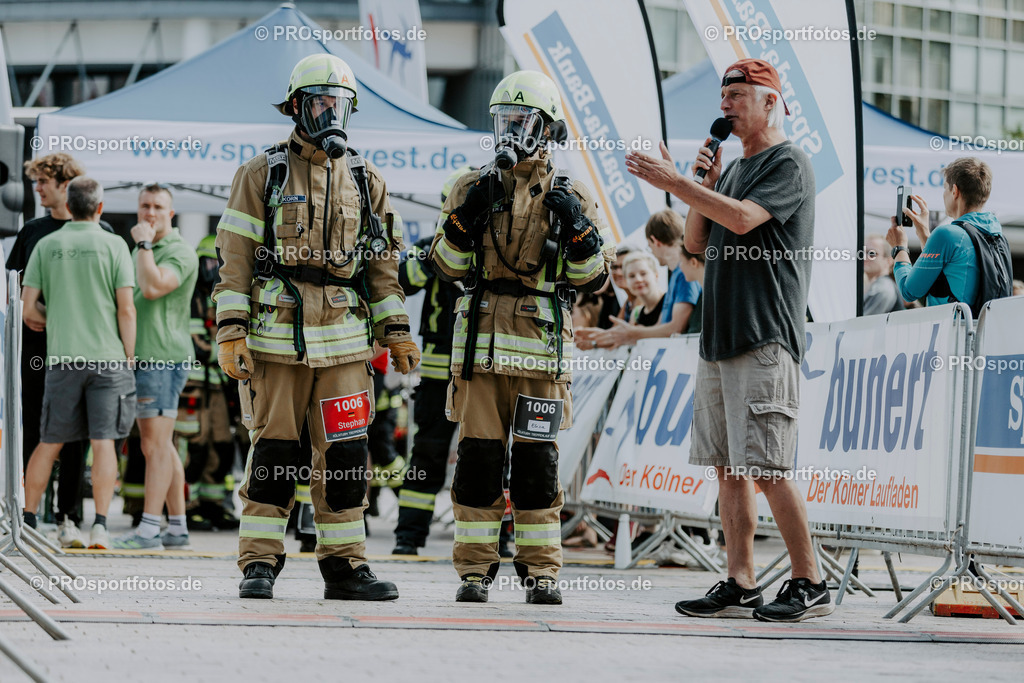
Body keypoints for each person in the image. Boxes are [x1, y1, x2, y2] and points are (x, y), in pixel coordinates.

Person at [627, 58, 831, 621]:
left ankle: (809, 581)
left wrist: (677, 182)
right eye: (724, 96)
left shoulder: (789, 162)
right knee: (728, 467)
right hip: (720, 336)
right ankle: (741, 580)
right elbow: (695, 241)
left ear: (772, 102)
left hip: (764, 332)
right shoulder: (735, 169)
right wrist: (700, 186)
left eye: (740, 95)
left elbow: (742, 222)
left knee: (768, 467)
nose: (727, 104)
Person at [214, 53, 419, 601]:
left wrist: (396, 331)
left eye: (338, 102)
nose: (329, 110)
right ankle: (259, 563)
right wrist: (231, 330)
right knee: (276, 452)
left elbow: (382, 267)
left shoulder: (367, 178)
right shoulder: (263, 173)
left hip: (347, 347)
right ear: (296, 107)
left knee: (348, 457)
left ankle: (345, 568)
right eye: (318, 101)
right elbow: (233, 259)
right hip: (277, 340)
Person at [429, 70, 614, 604]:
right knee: (478, 465)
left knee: (538, 470)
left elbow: (594, 282)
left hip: (541, 359)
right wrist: (465, 219)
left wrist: (579, 231)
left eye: (521, 121)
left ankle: (541, 574)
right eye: (502, 120)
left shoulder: (572, 192)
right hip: (480, 356)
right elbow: (445, 266)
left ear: (547, 129)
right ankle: (474, 572)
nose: (509, 130)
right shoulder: (468, 186)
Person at [20, 176, 136, 551]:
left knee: (49, 441)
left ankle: (30, 519)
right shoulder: (115, 245)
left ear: (68, 207)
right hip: (108, 360)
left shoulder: (47, 244)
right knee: (103, 444)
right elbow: (126, 309)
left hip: (63, 359)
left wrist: (53, 316)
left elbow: (28, 308)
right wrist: (129, 356)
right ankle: (100, 527)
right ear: (99, 208)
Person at [6, 153, 114, 548]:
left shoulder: (101, 232)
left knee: (77, 438)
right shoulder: (32, 232)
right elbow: (15, 291)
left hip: (81, 349)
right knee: (37, 429)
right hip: (37, 350)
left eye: (42, 182)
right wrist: (33, 312)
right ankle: (30, 514)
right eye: (35, 183)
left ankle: (69, 516)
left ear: (64, 184)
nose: (36, 189)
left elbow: (111, 296)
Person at [112, 183, 198, 550]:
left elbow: (152, 288)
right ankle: (176, 528)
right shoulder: (140, 249)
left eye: (158, 207)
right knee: (163, 445)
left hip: (163, 358)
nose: (149, 213)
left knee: (153, 446)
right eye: (144, 206)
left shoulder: (178, 251)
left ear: (171, 213)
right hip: (146, 357)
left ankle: (149, 530)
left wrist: (145, 245)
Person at [391, 167, 469, 557]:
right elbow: (400, 280)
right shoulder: (429, 247)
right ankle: (408, 536)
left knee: (487, 455)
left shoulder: (497, 244)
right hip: (439, 373)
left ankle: (500, 538)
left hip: (482, 372)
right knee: (427, 453)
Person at [885, 158, 1008, 310]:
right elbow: (951, 271)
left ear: (955, 191)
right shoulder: (997, 234)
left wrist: (899, 248)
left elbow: (908, 292)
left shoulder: (947, 234)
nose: (944, 194)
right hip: (983, 329)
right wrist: (924, 233)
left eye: (945, 188)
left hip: (952, 331)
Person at [178, 234, 240, 532]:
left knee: (221, 444)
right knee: (195, 446)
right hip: (192, 385)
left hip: (217, 384)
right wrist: (226, 351)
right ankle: (186, 507)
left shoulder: (225, 296)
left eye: (219, 262)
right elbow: (198, 345)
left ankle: (213, 505)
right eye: (209, 262)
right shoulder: (189, 295)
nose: (213, 268)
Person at [578, 210, 700, 349]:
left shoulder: (685, 274)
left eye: (649, 246)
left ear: (655, 241)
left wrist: (633, 333)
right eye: (631, 275)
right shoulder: (677, 275)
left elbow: (675, 328)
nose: (638, 280)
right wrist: (598, 338)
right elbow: (661, 327)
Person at [862, 233, 904, 315]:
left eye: (872, 253)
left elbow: (861, 324)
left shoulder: (883, 289)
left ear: (889, 260)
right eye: (862, 253)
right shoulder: (875, 286)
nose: (864, 257)